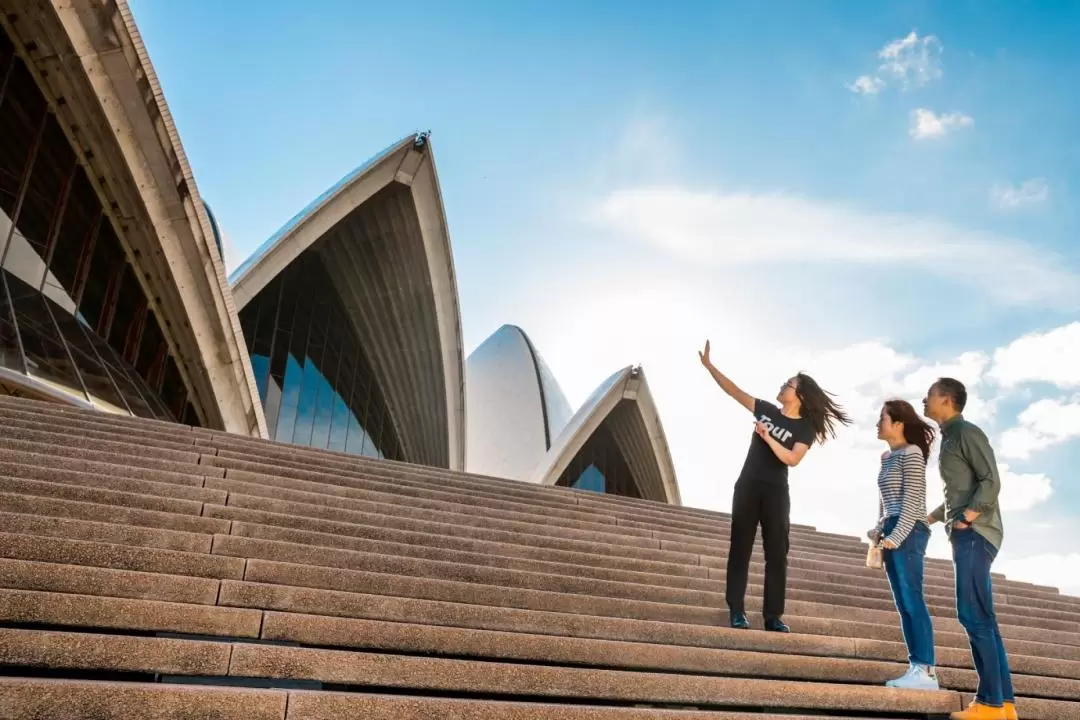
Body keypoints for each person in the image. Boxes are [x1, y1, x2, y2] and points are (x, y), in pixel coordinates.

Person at [699, 339, 851, 633]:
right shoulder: (765, 409)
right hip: (747, 487)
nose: (783, 386)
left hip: (776, 492)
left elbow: (792, 459)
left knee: (777, 554)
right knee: (740, 549)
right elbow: (734, 391)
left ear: (800, 395)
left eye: (789, 384)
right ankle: (737, 610)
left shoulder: (805, 428)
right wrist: (709, 367)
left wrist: (768, 437)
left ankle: (773, 616)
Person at [923, 378, 1016, 720]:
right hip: (969, 532)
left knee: (973, 615)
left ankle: (989, 706)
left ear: (947, 400)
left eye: (930, 395)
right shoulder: (950, 438)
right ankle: (1004, 707)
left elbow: (991, 480)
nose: (924, 399)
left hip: (975, 534)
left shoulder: (966, 432)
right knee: (985, 621)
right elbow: (957, 491)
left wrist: (968, 518)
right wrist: (932, 517)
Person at [869, 399, 939, 691]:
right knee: (903, 604)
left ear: (898, 423)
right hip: (892, 527)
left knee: (912, 600)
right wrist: (879, 528)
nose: (877, 422)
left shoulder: (911, 454)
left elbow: (913, 501)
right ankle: (916, 667)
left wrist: (895, 537)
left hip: (910, 531)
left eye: (882, 417)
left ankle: (926, 671)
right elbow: (886, 499)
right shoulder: (887, 457)